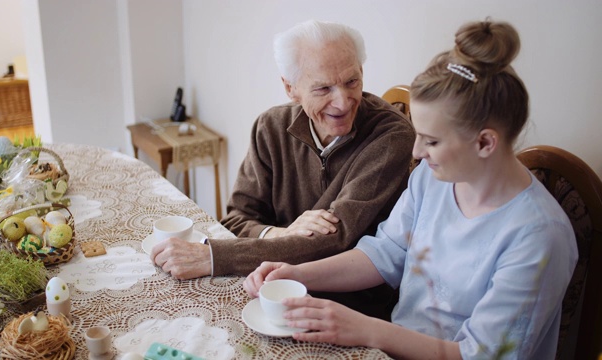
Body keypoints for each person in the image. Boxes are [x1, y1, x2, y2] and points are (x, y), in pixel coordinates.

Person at [243, 19, 577, 360]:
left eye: (431, 140)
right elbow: (385, 253)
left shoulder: (538, 236)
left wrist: (364, 329)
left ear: (485, 142)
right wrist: (297, 273)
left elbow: (483, 355)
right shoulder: (432, 179)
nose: (416, 152)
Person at [151, 20, 415, 319]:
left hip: (349, 301)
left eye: (352, 81)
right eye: (323, 88)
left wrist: (214, 256)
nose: (342, 102)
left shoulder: (390, 135)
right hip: (267, 284)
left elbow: (334, 240)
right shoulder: (270, 127)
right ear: (291, 88)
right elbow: (237, 218)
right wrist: (278, 234)